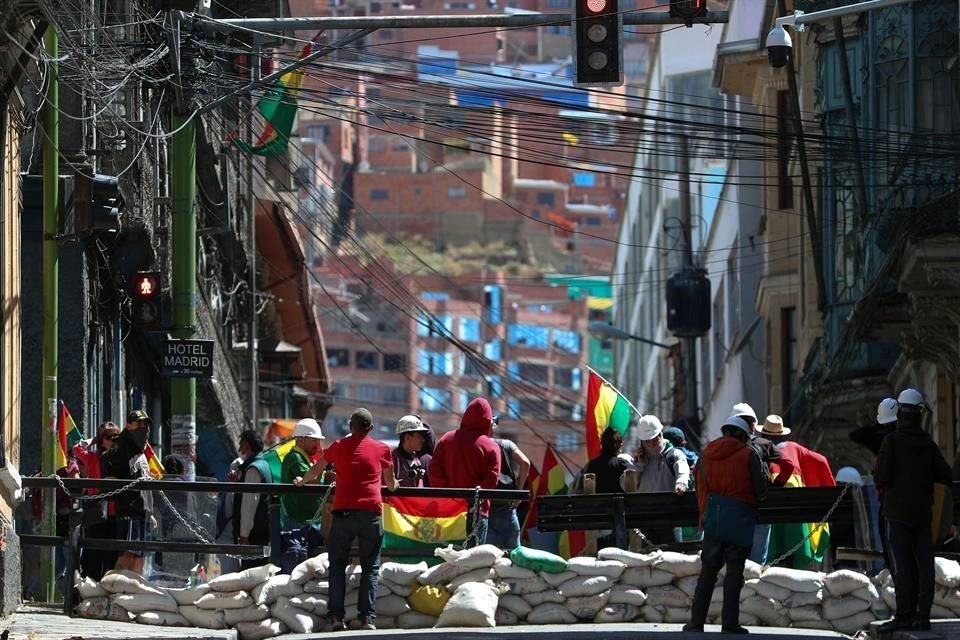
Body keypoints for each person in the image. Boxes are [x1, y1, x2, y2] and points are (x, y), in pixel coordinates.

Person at [295, 408, 398, 631]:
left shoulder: (338, 447)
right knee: (370, 567)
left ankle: (336, 618)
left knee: (337, 567)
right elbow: (390, 485)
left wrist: (302, 481)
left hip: (343, 515)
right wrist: (395, 484)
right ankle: (367, 619)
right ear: (370, 428)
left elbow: (317, 469)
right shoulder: (382, 449)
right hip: (371, 515)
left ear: (350, 426)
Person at [875, 388, 953, 632]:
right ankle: (923, 617)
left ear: (900, 413)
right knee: (924, 563)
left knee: (903, 564)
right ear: (919, 413)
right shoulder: (928, 442)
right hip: (922, 513)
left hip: (896, 513)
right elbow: (945, 475)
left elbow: (881, 475)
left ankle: (903, 616)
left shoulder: (892, 441)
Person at [683, 416, 768, 634]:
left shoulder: (706, 454)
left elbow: (700, 487)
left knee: (708, 572)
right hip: (740, 519)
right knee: (734, 573)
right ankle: (729, 624)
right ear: (742, 435)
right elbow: (761, 490)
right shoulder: (749, 454)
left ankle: (696, 622)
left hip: (714, 518)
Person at [429, 397, 501, 547]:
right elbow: (491, 481)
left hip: (448, 511)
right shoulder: (491, 447)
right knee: (473, 562)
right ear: (488, 421)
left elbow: (434, 471)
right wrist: (470, 497)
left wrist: (449, 494)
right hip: (477, 511)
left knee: (445, 556)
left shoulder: (446, 440)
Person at [731, 403, 794, 564]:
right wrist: (776, 486)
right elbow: (788, 465)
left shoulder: (722, 447)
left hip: (732, 512)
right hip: (760, 509)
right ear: (752, 424)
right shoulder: (762, 444)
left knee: (735, 565)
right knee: (757, 565)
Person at [100, 410, 157, 575]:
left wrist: (149, 511)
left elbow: (143, 480)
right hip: (128, 511)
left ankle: (133, 596)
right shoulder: (121, 447)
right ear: (129, 425)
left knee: (139, 558)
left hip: (141, 512)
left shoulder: (139, 450)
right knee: (127, 554)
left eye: (146, 424)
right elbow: (109, 473)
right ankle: (114, 588)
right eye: (139, 424)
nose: (144, 428)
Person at [625, 414, 690, 545]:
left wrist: (681, 483)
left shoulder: (674, 455)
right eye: (648, 441)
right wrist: (639, 466)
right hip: (645, 520)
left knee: (674, 559)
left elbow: (682, 470)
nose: (652, 444)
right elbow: (626, 485)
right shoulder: (637, 461)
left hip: (670, 519)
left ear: (661, 434)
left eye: (655, 439)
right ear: (642, 442)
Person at [73, 421, 121, 580]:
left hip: (116, 511)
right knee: (93, 552)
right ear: (102, 440)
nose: (113, 439)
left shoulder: (121, 458)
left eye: (116, 436)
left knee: (113, 553)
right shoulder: (93, 458)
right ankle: (90, 586)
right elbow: (76, 448)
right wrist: (93, 440)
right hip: (98, 511)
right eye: (109, 437)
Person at [583, 427, 630, 549]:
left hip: (598, 523)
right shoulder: (622, 466)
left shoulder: (591, 465)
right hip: (620, 523)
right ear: (619, 445)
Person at [233, 429, 273, 569]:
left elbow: (248, 506)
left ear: (246, 445)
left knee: (250, 573)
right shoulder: (263, 465)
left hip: (254, 534)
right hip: (261, 531)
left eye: (241, 443)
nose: (239, 446)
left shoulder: (253, 469)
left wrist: (244, 535)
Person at [488, 426, 531, 551]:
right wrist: (519, 491)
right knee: (515, 557)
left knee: (488, 562)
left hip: (486, 510)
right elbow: (525, 463)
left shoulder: (478, 446)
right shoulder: (506, 444)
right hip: (508, 510)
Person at [281, 419, 326, 529]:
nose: (317, 444)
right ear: (300, 440)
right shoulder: (295, 458)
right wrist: (324, 464)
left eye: (318, 441)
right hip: (300, 521)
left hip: (309, 519)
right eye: (314, 440)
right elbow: (313, 480)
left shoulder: (305, 457)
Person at [392, 415, 432, 488]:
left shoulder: (419, 460)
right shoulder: (393, 460)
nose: (423, 440)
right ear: (407, 437)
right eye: (419, 436)